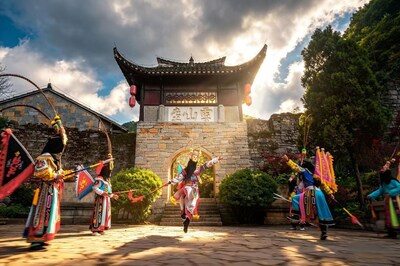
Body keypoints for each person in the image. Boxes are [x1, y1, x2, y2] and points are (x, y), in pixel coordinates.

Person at [23, 115, 69, 250]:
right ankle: (36, 240)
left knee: (49, 216)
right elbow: (41, 171)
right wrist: (56, 175)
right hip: (45, 191)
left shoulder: (55, 159)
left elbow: (58, 173)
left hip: (52, 190)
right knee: (42, 214)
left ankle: (43, 238)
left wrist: (63, 175)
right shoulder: (45, 157)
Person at [282, 154, 335, 240]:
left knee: (295, 198)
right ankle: (324, 232)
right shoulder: (317, 175)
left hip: (310, 192)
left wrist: (288, 160)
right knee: (321, 213)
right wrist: (330, 194)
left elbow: (295, 167)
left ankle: (296, 215)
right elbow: (324, 185)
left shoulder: (305, 171)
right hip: (320, 194)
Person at [169, 150, 222, 233]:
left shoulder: (197, 169)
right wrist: (170, 182)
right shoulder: (186, 170)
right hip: (188, 188)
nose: (194, 158)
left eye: (195, 157)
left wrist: (216, 159)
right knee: (183, 194)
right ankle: (183, 212)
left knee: (191, 206)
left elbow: (208, 164)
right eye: (193, 157)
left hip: (194, 190)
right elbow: (178, 178)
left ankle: (186, 221)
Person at [367, 160, 400, 239]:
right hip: (388, 202)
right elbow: (380, 191)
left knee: (397, 216)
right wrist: (371, 195)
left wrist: (391, 193)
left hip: (396, 201)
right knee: (388, 217)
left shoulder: (393, 181)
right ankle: (391, 233)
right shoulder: (384, 184)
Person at [89, 153, 118, 236]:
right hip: (100, 199)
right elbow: (95, 188)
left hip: (106, 199)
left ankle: (101, 228)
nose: (110, 173)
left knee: (105, 214)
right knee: (99, 213)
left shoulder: (107, 180)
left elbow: (109, 191)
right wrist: (103, 193)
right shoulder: (99, 179)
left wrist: (112, 195)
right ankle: (95, 229)